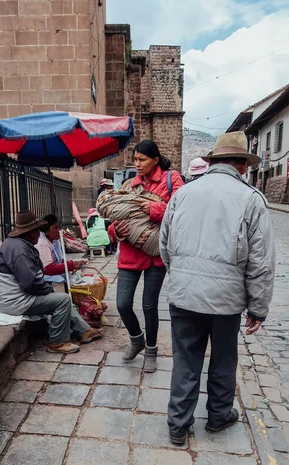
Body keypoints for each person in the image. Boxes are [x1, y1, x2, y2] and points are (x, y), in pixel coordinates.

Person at [160, 131, 276, 445]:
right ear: (242, 166)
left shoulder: (183, 194)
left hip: (184, 295)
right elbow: (261, 262)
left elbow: (165, 244)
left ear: (213, 162)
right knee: (223, 359)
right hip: (225, 302)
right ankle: (219, 415)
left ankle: (178, 424)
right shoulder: (251, 199)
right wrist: (259, 307)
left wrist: (181, 276)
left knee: (185, 358)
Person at [108, 139, 184, 373]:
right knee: (122, 304)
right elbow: (115, 214)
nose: (137, 164)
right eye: (135, 159)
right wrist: (115, 231)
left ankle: (151, 350)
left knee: (149, 306)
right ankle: (136, 339)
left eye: (142, 159)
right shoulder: (130, 185)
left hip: (155, 257)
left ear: (155, 160)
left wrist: (153, 209)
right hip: (130, 253)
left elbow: (179, 211)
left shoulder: (172, 181)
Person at [0, 210, 103, 355]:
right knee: (62, 300)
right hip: (16, 301)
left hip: (17, 297)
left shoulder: (19, 245)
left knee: (60, 298)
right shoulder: (19, 251)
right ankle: (57, 342)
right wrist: (48, 290)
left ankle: (84, 331)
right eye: (38, 231)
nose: (40, 234)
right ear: (30, 232)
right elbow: (30, 282)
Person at [36, 214, 87, 285]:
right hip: (44, 276)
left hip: (52, 271)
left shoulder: (55, 240)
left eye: (59, 228)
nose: (58, 231)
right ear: (47, 230)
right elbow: (48, 269)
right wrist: (71, 265)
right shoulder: (43, 243)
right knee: (61, 280)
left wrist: (73, 263)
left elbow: (59, 260)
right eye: (55, 228)